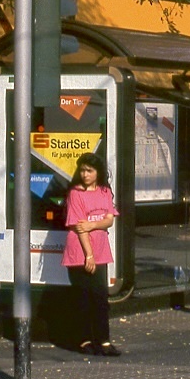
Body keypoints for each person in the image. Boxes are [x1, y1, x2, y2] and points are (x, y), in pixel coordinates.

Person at [62, 152, 121, 356]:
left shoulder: (105, 191)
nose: (85, 174)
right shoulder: (75, 193)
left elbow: (109, 219)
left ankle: (103, 340)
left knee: (100, 297)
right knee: (83, 298)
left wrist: (92, 223)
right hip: (80, 252)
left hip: (101, 251)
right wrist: (89, 255)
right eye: (83, 170)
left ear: (98, 173)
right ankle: (84, 340)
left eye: (90, 170)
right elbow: (80, 228)